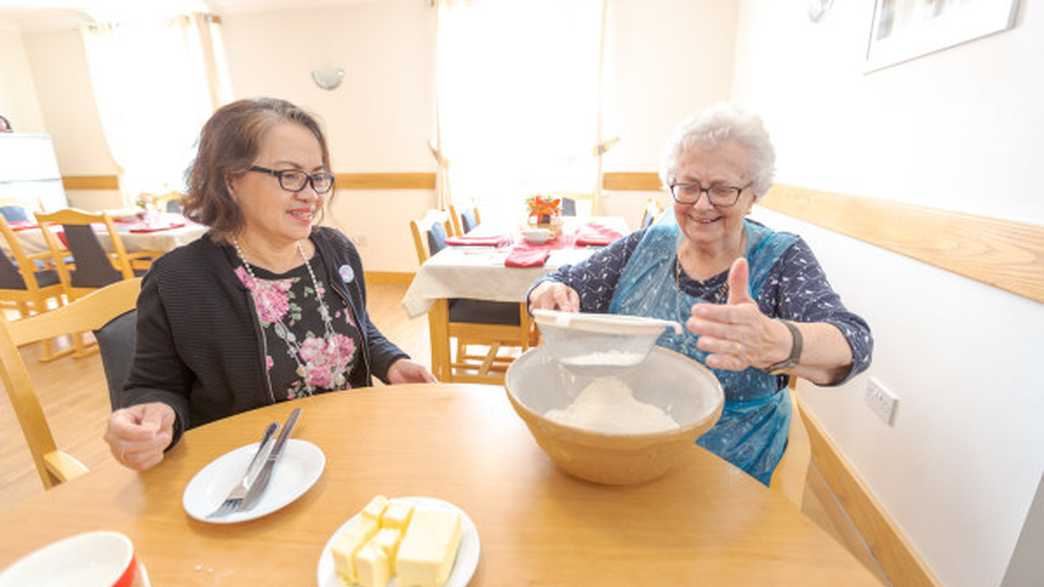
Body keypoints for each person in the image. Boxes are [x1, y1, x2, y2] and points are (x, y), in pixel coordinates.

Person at [528, 104, 873, 485]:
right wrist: (548, 290)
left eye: (723, 189)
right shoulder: (645, 246)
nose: (702, 204)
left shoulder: (780, 259)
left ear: (753, 194)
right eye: (688, 186)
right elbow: (561, 281)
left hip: (729, 468)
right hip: (625, 445)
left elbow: (854, 342)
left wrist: (776, 341)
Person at [105, 98, 435, 471]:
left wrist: (392, 362)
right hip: (247, 472)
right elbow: (154, 384)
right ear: (230, 180)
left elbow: (360, 328)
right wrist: (152, 417)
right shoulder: (179, 279)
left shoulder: (336, 251)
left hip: (348, 452)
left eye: (318, 176)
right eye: (289, 175)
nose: (311, 194)